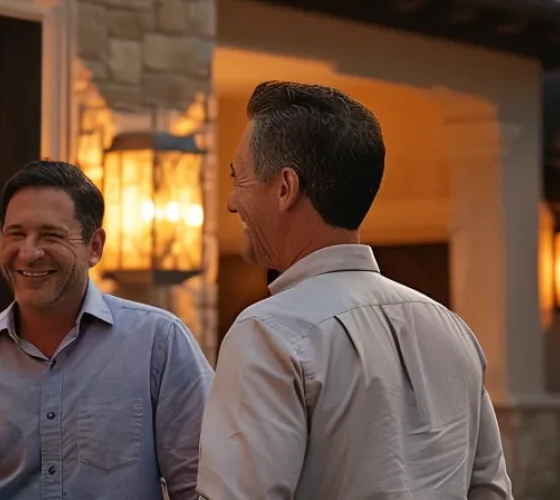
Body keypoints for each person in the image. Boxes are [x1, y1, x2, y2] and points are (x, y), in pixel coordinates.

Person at [198, 81, 514, 499]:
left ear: (285, 188)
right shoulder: (452, 328)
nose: (231, 204)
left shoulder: (270, 332)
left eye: (239, 180)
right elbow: (490, 491)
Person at [0, 160, 214, 500]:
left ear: (94, 246)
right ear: (0, 235)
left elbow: (201, 487)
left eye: (51, 235)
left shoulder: (159, 342)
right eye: (16, 234)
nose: (29, 252)